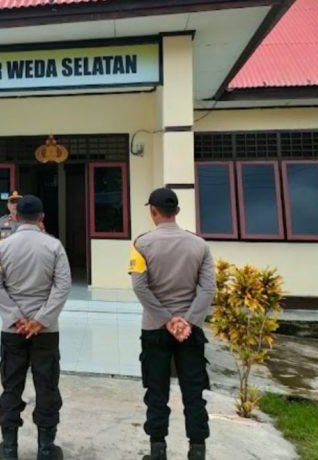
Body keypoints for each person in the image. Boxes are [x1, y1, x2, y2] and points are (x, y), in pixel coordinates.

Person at [129, 188, 216, 460]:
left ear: (153, 211)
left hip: (155, 330)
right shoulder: (199, 245)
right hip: (190, 332)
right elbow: (208, 289)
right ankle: (197, 449)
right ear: (177, 211)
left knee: (156, 389)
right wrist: (187, 321)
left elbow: (140, 287)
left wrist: (166, 320)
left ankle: (158, 450)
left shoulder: (142, 244)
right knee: (193, 390)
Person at [0, 194, 72, 460]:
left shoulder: (1, 248)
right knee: (46, 386)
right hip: (45, 332)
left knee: (11, 386)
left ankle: (9, 447)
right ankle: (46, 448)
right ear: (42, 217)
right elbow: (63, 286)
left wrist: (15, 317)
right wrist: (41, 320)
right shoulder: (54, 246)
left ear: (16, 216)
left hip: (13, 331)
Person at [0, 190, 23, 266]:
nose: (15, 205)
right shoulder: (0, 223)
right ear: (8, 205)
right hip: (4, 267)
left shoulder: (29, 222)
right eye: (12, 202)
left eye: (18, 202)